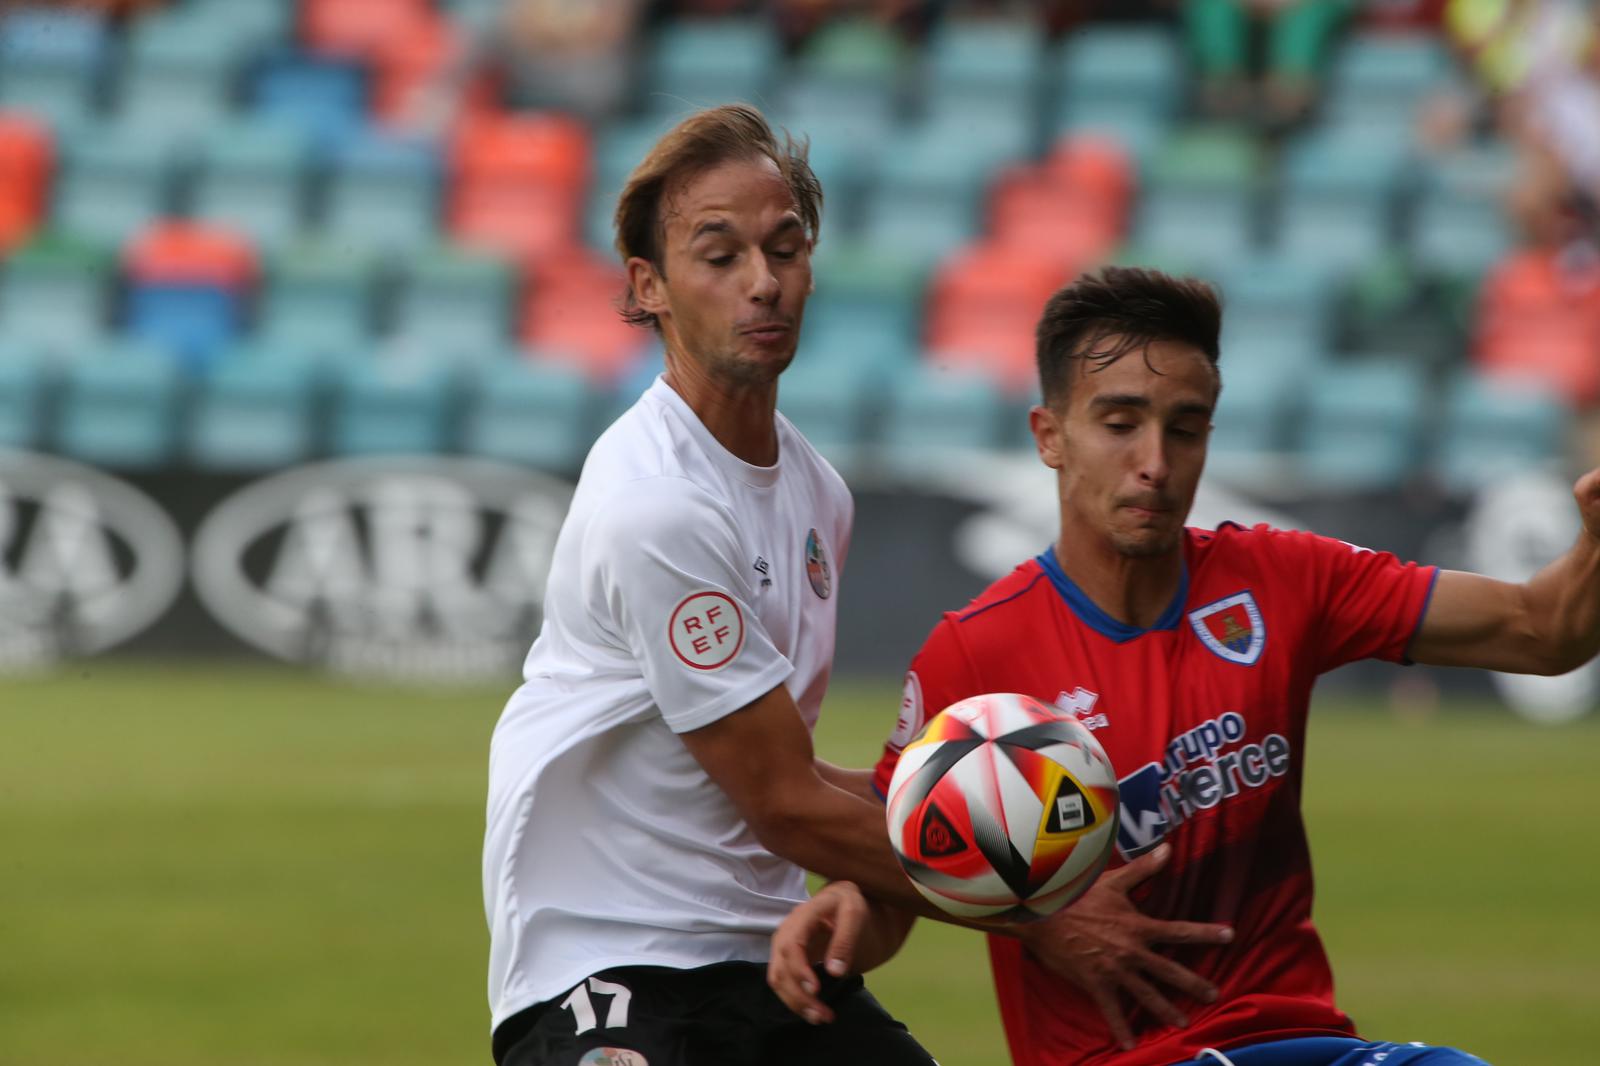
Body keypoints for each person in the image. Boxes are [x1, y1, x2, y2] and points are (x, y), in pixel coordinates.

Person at [768, 266, 1600, 1065]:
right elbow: (905, 870)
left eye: (1186, 428)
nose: (1157, 463)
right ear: (1050, 436)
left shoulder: (1284, 579)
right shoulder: (981, 652)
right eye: (1121, 423)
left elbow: (1544, 630)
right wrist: (848, 916)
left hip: (1306, 1041)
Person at [482, 103, 963, 1066]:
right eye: (720, 255)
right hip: (605, 963)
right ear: (648, 286)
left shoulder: (817, 489)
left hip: (768, 959)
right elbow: (781, 800)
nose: (763, 283)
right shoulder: (656, 503)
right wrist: (1031, 896)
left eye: (786, 249)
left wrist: (959, 806)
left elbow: (785, 764)